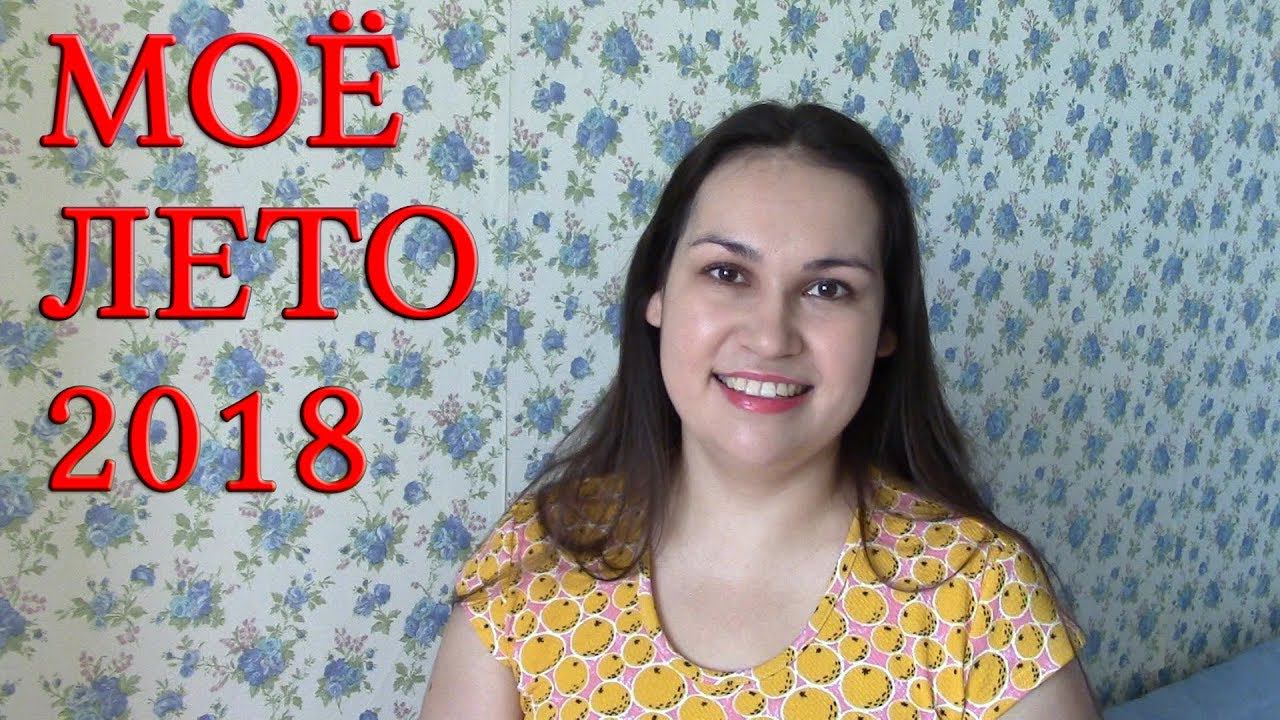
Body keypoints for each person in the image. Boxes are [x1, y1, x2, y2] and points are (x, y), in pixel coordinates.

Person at [419, 101, 1101, 719]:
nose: (771, 337)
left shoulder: (979, 595)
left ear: (885, 329)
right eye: (726, 273)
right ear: (657, 294)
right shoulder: (533, 556)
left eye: (828, 289)